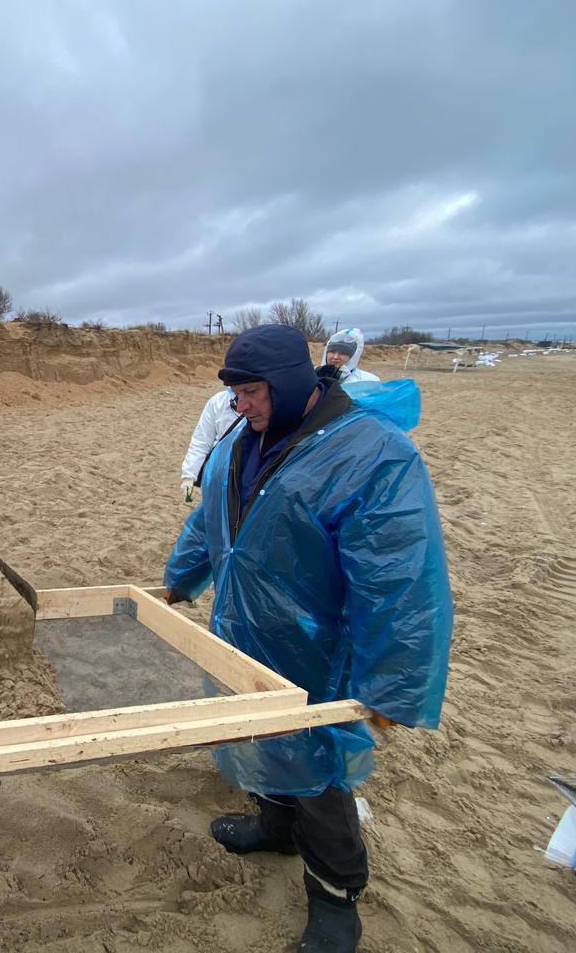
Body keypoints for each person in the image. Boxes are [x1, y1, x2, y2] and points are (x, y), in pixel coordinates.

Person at [163, 324, 451, 953]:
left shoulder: (372, 454)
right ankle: (273, 822)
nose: (242, 404)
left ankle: (336, 895)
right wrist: (181, 580)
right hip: (243, 625)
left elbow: (399, 579)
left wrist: (394, 686)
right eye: (235, 392)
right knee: (257, 734)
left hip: (319, 646)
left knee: (319, 767)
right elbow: (211, 510)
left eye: (254, 390)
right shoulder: (246, 435)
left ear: (294, 382)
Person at [179, 387, 240, 503]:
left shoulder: (264, 401)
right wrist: (189, 476)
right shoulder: (218, 402)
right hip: (219, 474)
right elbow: (201, 441)